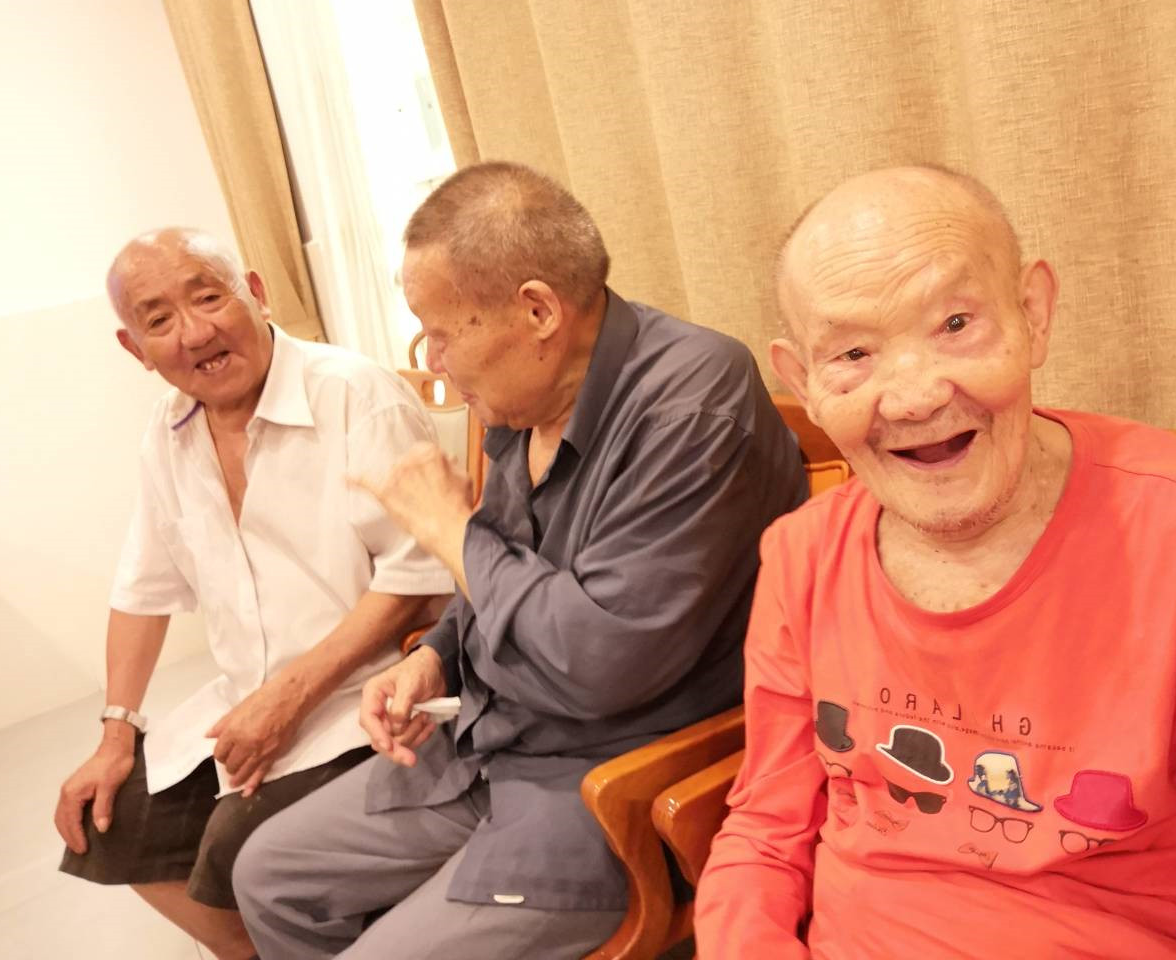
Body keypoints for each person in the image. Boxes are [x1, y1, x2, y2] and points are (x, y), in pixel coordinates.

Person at [232, 161, 808, 958]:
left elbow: (601, 660)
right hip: (490, 737)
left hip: (615, 776)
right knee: (267, 873)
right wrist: (436, 657)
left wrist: (449, 526)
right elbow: (503, 568)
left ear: (538, 310)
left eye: (441, 332)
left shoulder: (691, 398)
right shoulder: (523, 400)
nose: (433, 359)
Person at [693, 165, 1176, 958]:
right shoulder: (802, 553)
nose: (915, 396)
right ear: (804, 383)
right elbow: (765, 825)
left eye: (955, 323)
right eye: (853, 352)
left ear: (1033, 313)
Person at [55, 228, 452, 960]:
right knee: (106, 818)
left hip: (368, 699)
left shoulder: (352, 393)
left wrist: (288, 699)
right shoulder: (168, 432)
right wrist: (116, 736)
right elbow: (141, 588)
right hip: (247, 705)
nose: (195, 332)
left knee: (238, 843)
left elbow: (417, 578)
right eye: (160, 319)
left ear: (257, 293)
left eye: (209, 297)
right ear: (135, 349)